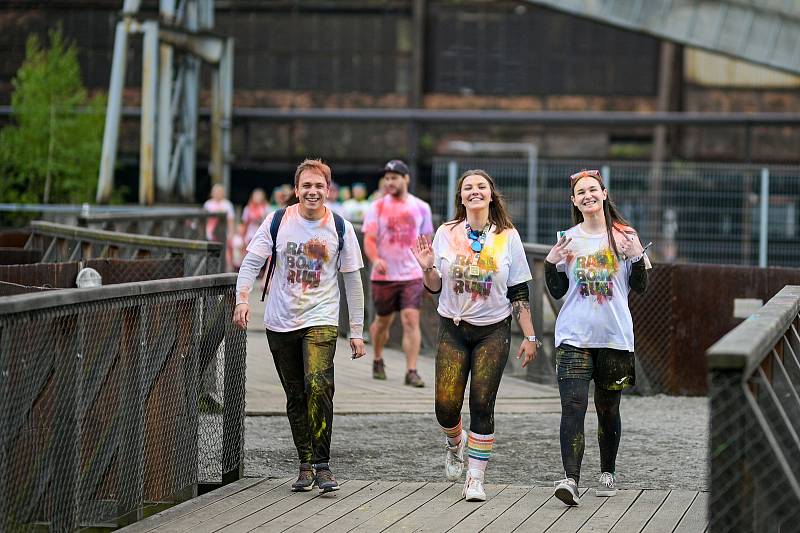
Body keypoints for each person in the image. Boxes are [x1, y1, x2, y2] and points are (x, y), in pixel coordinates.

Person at [233, 159, 366, 494]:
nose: (312, 191)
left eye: (319, 186)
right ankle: (305, 463)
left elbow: (353, 281)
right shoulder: (278, 221)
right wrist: (242, 299)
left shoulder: (340, 227)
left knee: (319, 385)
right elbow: (251, 262)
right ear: (296, 190)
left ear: (328, 190)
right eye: (306, 185)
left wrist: (357, 330)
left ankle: (323, 466)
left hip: (321, 317)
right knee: (296, 394)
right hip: (280, 320)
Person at [410, 169, 540, 502]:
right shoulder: (446, 232)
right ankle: (456, 443)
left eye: (481, 187)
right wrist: (427, 267)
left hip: (493, 331)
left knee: (482, 402)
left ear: (491, 195)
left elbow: (519, 290)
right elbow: (434, 288)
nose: (475, 191)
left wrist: (529, 336)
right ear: (461, 197)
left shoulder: (507, 235)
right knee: (445, 407)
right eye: (468, 188)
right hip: (453, 328)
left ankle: (475, 479)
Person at [545, 169, 650, 506]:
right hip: (574, 335)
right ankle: (570, 480)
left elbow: (641, 288)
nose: (587, 196)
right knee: (572, 407)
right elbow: (559, 290)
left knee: (608, 408)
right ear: (574, 201)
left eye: (593, 190)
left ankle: (608, 470)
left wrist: (635, 256)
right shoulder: (567, 238)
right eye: (581, 192)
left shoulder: (625, 235)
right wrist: (550, 263)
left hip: (615, 336)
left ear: (604, 194)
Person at [363, 160, 434, 387]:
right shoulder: (377, 207)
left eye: (395, 177)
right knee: (383, 322)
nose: (390, 182)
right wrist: (376, 259)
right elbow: (369, 239)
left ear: (406, 179)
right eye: (387, 178)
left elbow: (427, 241)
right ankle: (377, 358)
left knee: (410, 319)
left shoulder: (422, 207)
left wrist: (428, 268)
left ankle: (411, 371)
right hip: (384, 274)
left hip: (412, 273)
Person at [203, 183, 235, 270]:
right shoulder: (207, 204)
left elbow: (230, 220)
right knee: (209, 252)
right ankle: (210, 269)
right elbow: (204, 220)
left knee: (224, 253)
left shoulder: (227, 204)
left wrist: (231, 233)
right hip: (209, 232)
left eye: (219, 191)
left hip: (223, 233)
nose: (217, 193)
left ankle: (223, 270)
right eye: (215, 191)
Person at [240, 187, 270, 259]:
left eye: (260, 195)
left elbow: (268, 222)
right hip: (250, 235)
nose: (258, 197)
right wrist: (242, 237)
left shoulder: (266, 208)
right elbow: (244, 223)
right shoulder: (248, 208)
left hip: (262, 234)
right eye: (256, 195)